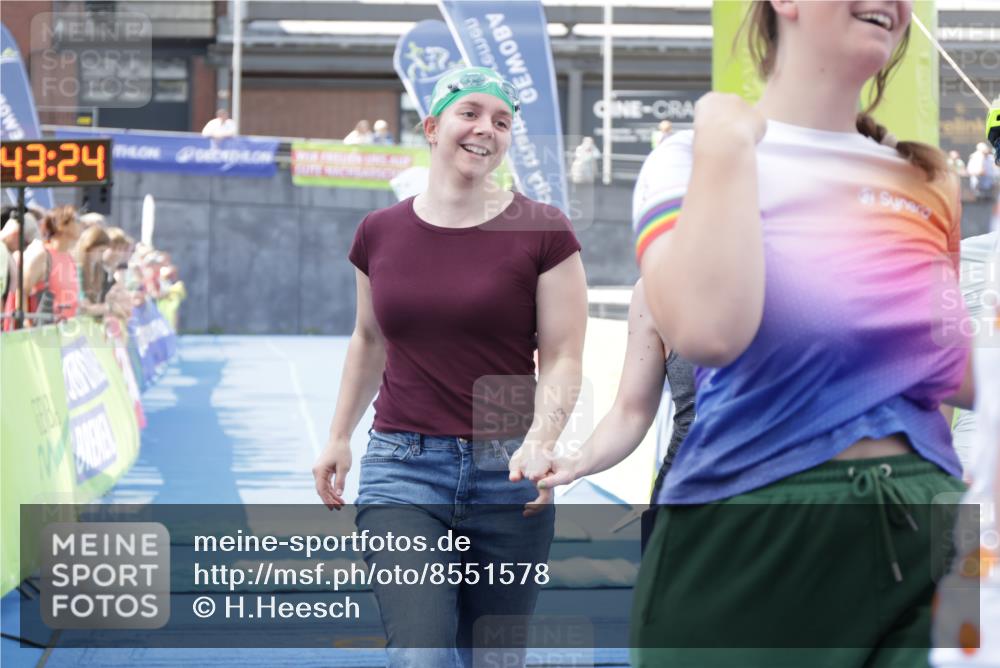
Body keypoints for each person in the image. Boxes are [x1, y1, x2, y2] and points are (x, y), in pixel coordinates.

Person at [615, 3, 975, 666]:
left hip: (932, 529)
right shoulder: (690, 158)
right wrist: (725, 143)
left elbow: (949, 369)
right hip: (755, 532)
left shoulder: (927, 182)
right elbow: (707, 330)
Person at [312, 65, 587, 668]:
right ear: (433, 127)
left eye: (502, 120)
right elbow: (368, 338)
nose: (486, 129)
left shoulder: (541, 229)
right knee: (422, 654)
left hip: (508, 467)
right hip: (403, 469)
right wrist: (338, 436)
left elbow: (563, 354)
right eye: (471, 113)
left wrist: (541, 441)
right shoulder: (379, 232)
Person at [532, 278, 695, 552]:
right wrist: (572, 464)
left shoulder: (788, 276)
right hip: (685, 502)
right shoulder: (657, 289)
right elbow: (631, 411)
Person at [4, 206, 82, 329]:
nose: (80, 224)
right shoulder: (43, 255)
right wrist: (26, 325)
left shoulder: (69, 257)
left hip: (64, 335)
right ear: (62, 225)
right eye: (75, 220)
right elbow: (22, 290)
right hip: (42, 336)